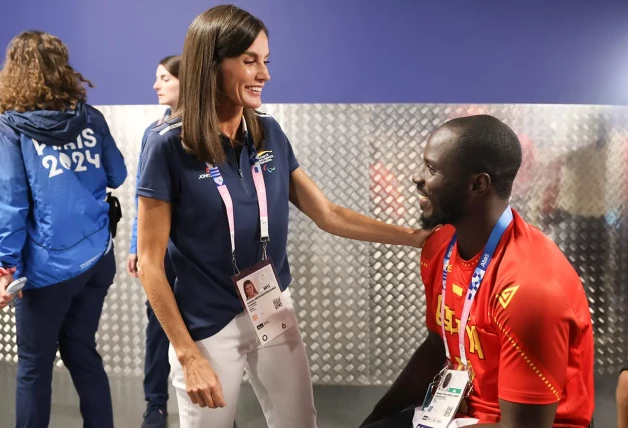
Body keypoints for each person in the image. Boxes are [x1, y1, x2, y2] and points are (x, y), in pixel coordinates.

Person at [135, 5, 433, 428]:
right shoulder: (167, 145)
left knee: (299, 421)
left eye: (266, 61)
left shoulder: (267, 131)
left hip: (271, 306)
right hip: (207, 324)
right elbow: (149, 263)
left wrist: (415, 237)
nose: (265, 74)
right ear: (212, 64)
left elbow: (328, 214)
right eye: (250, 61)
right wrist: (188, 355)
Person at [361, 115, 594, 428]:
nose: (417, 178)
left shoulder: (528, 289)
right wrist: (373, 420)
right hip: (461, 415)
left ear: (478, 184)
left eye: (431, 169)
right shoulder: (441, 247)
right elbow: (437, 346)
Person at [0, 31, 127, 428]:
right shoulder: (90, 118)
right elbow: (118, 174)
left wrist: (4, 265)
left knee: (35, 366)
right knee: (81, 351)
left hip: (47, 270)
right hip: (97, 261)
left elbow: (11, 203)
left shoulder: (10, 127)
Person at [127, 54, 180, 428]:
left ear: (185, 80)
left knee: (204, 331)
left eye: (163, 77)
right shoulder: (153, 132)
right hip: (161, 253)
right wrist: (137, 246)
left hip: (197, 254)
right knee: (158, 324)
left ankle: (217, 407)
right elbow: (143, 199)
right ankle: (155, 405)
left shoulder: (205, 131)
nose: (156, 84)